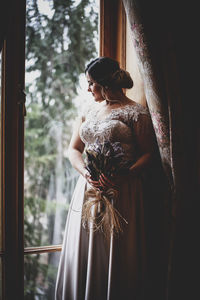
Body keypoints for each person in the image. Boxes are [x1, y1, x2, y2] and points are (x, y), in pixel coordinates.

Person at [55, 56, 167, 300]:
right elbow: (74, 149)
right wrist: (85, 173)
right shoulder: (88, 111)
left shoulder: (135, 113)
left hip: (122, 190)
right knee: (86, 250)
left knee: (115, 251)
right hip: (87, 190)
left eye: (91, 83)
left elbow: (149, 154)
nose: (88, 89)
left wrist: (124, 175)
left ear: (106, 84)